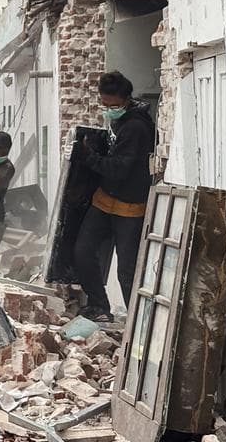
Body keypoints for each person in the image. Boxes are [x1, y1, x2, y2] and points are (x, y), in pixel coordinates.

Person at [72, 71, 156, 324]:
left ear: (127, 99)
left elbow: (120, 169)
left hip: (130, 207)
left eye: (114, 105)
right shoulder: (118, 122)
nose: (109, 110)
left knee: (127, 270)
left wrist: (88, 157)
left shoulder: (136, 127)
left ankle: (136, 322)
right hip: (104, 200)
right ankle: (98, 305)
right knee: (82, 251)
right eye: (105, 105)